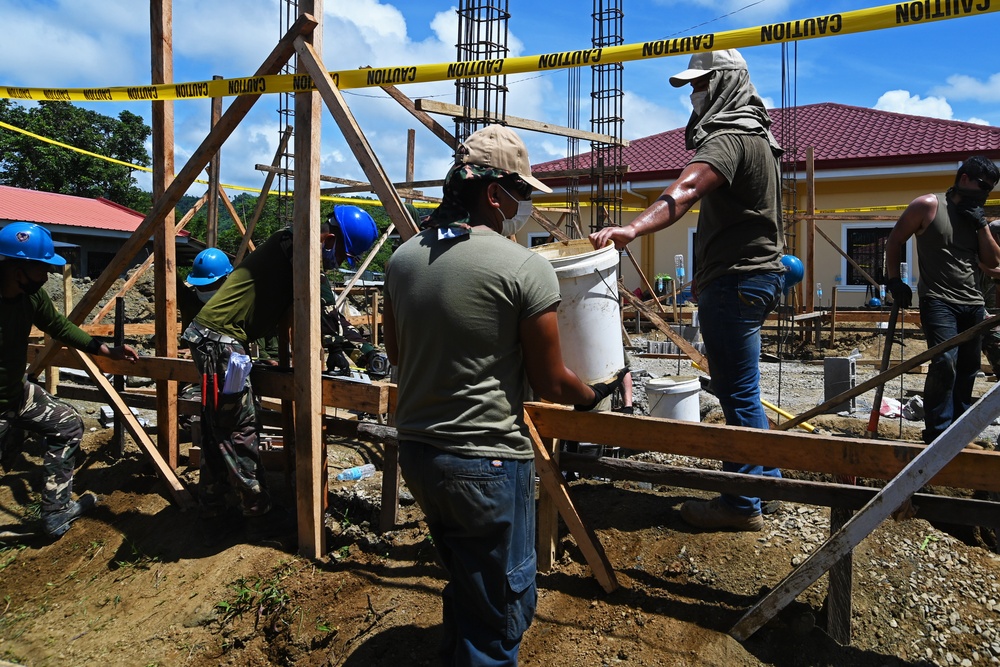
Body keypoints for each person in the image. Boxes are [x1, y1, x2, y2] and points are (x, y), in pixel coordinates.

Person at [384, 124, 626, 665]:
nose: (523, 206)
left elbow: (397, 354)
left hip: (419, 452)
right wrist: (592, 395)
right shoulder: (524, 267)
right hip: (486, 462)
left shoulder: (402, 259)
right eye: (520, 193)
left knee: (466, 577)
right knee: (498, 614)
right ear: (494, 194)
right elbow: (550, 382)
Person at [590, 48, 785, 533]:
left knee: (737, 394)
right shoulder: (760, 137)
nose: (693, 96)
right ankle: (769, 483)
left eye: (700, 85)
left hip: (735, 282)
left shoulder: (730, 139)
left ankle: (741, 505)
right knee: (745, 390)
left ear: (724, 85)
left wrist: (632, 229)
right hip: (753, 279)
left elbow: (684, 192)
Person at [181, 205, 378, 541]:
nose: (336, 262)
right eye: (341, 253)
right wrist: (366, 350)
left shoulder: (288, 249)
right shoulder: (296, 249)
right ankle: (259, 517)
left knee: (218, 427)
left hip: (217, 342)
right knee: (239, 429)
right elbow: (327, 314)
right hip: (220, 344)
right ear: (328, 238)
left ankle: (212, 508)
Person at [0, 222, 138, 537]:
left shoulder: (30, 299)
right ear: (18, 268)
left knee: (67, 424)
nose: (47, 276)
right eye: (42, 269)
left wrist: (106, 350)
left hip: (15, 393)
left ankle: (55, 513)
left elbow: (59, 327)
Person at [885, 156, 1000, 444]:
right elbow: (894, 240)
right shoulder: (928, 205)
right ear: (964, 179)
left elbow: (993, 260)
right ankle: (937, 432)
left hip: (973, 302)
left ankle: (960, 432)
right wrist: (894, 280)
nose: (985, 193)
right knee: (945, 361)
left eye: (990, 189)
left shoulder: (975, 218)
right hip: (938, 300)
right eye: (982, 185)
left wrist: (981, 224)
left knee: (968, 366)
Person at [178, 247, 234, 331]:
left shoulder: (235, 305)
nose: (204, 290)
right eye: (200, 285)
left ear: (224, 280)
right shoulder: (189, 301)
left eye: (209, 285)